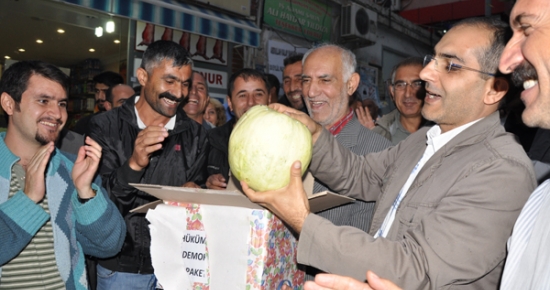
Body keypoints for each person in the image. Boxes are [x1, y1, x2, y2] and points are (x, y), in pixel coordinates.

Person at [242, 17, 536, 289]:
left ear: (494, 90)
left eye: (451, 66)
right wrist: (314, 134)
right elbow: (360, 174)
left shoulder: (500, 170)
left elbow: (414, 266)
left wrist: (303, 221)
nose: (425, 73)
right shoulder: (424, 140)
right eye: (431, 59)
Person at [88, 40, 209, 289]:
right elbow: (97, 205)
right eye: (170, 81)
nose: (179, 93)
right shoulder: (106, 127)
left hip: (177, 267)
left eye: (185, 83)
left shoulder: (197, 135)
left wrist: (197, 191)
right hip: (121, 269)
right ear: (143, 76)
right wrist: (134, 164)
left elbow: (197, 194)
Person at [0, 60, 125, 289]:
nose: (57, 114)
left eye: (62, 104)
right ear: (9, 103)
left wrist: (85, 193)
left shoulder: (70, 170)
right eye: (43, 100)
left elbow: (109, 245)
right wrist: (27, 200)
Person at [300, 44, 391, 280]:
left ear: (351, 84)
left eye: (324, 80)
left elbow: (362, 245)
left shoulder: (376, 152)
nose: (311, 91)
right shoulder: (286, 139)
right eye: (306, 80)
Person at [205, 68, 270, 189]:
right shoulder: (211, 140)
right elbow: (193, 181)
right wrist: (207, 183)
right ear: (229, 102)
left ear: (269, 99)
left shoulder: (284, 140)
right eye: (242, 95)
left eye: (258, 94)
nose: (251, 102)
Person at [357, 57, 428, 145]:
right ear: (392, 91)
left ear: (429, 88)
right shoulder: (378, 135)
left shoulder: (445, 132)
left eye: (417, 84)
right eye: (400, 85)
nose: (408, 94)